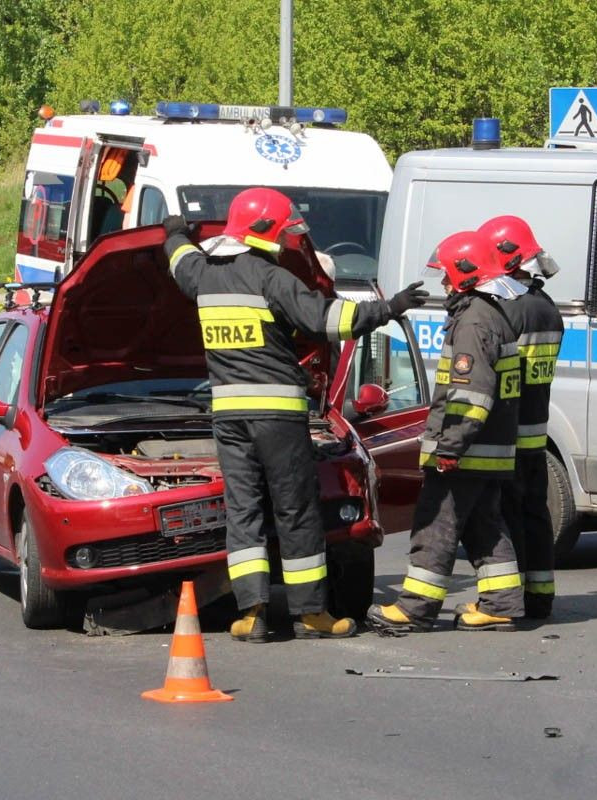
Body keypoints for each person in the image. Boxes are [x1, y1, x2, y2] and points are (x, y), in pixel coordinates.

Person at [162, 188, 428, 642]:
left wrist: (173, 233)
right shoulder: (272, 278)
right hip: (278, 417)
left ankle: (251, 614)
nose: (289, 241)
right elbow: (330, 320)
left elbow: (178, 260)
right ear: (265, 231)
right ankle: (309, 615)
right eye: (285, 232)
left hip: (229, 418)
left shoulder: (202, 275)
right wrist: (389, 307)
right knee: (296, 511)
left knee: (243, 510)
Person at [367, 229, 526, 633]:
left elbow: (472, 395)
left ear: (466, 272)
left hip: (465, 451)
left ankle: (415, 609)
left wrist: (450, 447)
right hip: (490, 451)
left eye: (447, 274)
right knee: (484, 527)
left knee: (435, 525)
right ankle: (502, 603)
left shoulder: (473, 320)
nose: (443, 282)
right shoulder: (493, 314)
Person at [477, 215, 564, 620]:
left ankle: (506, 600)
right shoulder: (547, 308)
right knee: (535, 513)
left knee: (504, 517)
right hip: (536, 431)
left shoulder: (508, 311)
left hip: (506, 432)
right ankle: (540, 595)